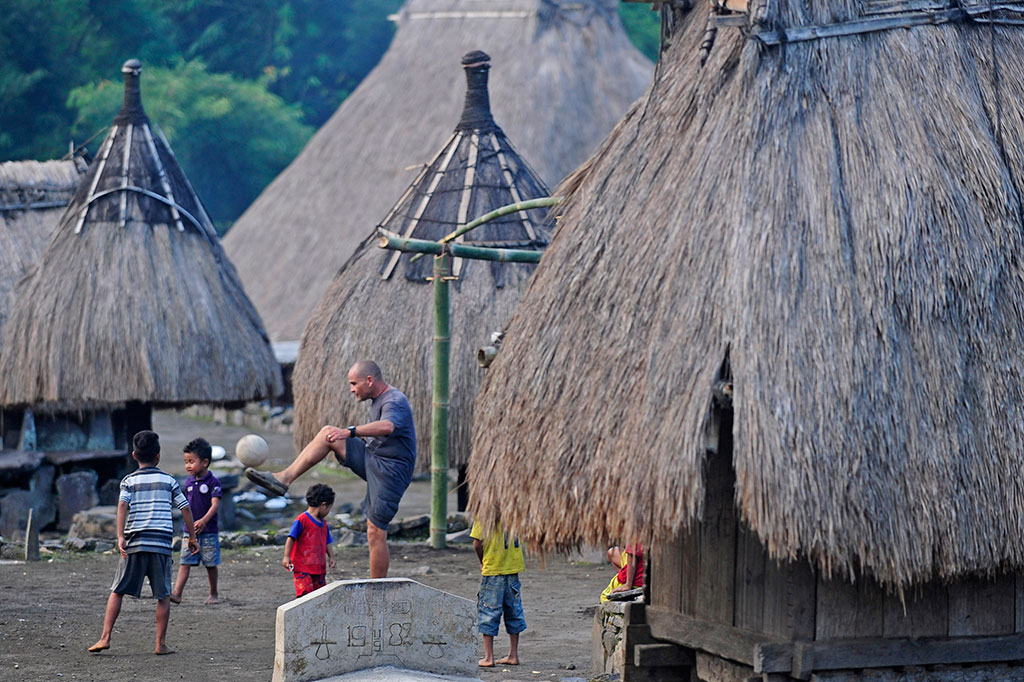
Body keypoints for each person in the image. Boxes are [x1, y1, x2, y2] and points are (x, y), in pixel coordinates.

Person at [247, 360, 416, 578]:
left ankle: (377, 590)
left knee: (375, 531)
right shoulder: (378, 399)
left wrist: (350, 432)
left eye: (354, 384)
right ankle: (284, 479)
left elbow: (387, 426)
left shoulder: (395, 401)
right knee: (329, 433)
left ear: (370, 380)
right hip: (372, 458)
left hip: (391, 473)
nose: (351, 389)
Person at [89, 430, 198, 655]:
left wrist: (120, 536)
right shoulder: (168, 481)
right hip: (160, 546)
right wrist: (193, 537)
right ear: (158, 456)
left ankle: (105, 637)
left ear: (134, 455)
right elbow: (185, 507)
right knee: (163, 595)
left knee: (117, 590)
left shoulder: (128, 481)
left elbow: (122, 507)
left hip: (135, 542)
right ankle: (160, 644)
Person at [170, 438, 222, 605]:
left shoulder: (214, 482)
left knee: (210, 563)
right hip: (189, 531)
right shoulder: (188, 482)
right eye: (186, 462)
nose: (188, 466)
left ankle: (213, 593)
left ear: (205, 462)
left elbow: (215, 505)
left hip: (209, 531)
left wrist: (204, 520)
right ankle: (177, 593)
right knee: (185, 561)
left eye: (191, 462)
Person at [470, 518, 526, 668]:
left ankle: (489, 657)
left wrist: (482, 561)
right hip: (513, 569)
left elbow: (477, 544)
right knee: (514, 611)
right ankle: (513, 655)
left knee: (488, 613)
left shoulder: (484, 515)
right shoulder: (515, 514)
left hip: (493, 570)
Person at [283, 484, 337, 597]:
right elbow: (291, 537)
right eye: (329, 508)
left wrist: (331, 557)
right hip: (303, 567)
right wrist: (286, 556)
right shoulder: (302, 520)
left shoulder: (324, 523)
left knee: (319, 596)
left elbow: (327, 541)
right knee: (305, 595)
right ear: (323, 505)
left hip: (319, 567)